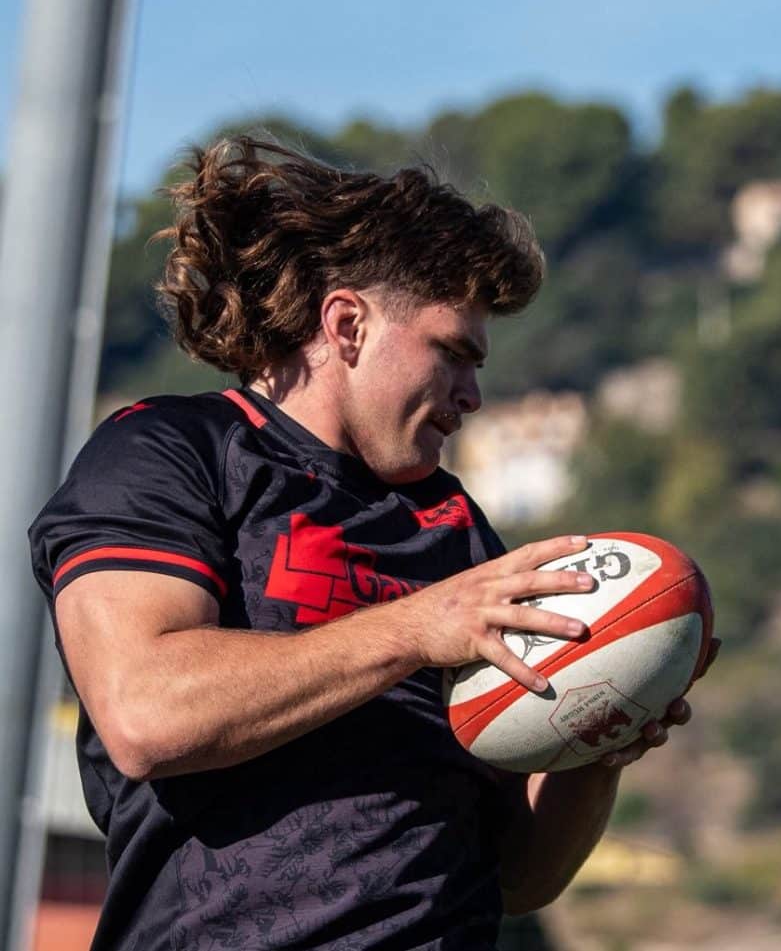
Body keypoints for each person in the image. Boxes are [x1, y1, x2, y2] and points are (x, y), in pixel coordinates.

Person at [29, 136, 716, 950]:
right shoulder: (171, 452)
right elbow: (145, 715)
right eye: (453, 352)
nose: (473, 395)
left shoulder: (457, 532)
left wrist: (598, 746)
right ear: (347, 324)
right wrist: (413, 628)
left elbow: (520, 877)